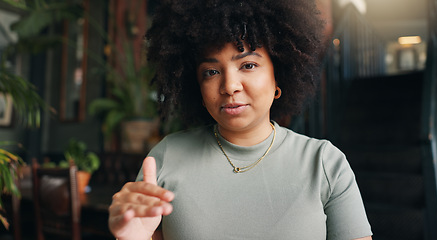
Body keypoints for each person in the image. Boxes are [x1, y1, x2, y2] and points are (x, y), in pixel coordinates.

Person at [108, 0, 373, 239]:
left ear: (278, 75)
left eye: (248, 65)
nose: (229, 86)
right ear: (198, 89)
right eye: (211, 72)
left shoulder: (325, 163)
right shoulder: (166, 157)